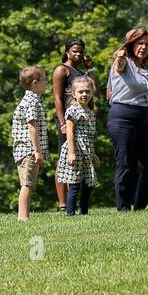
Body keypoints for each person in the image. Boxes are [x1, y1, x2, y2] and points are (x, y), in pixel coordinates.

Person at [106, 28, 148, 212]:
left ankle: (140, 205)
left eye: (147, 44)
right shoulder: (122, 62)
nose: (143, 47)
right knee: (125, 162)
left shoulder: (147, 67)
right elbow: (119, 66)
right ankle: (123, 207)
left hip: (143, 118)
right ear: (132, 44)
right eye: (140, 43)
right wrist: (120, 57)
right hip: (122, 117)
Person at [51, 39, 89, 212]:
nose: (78, 54)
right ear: (67, 51)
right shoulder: (62, 70)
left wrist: (90, 68)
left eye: (81, 51)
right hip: (66, 120)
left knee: (78, 159)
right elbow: (58, 98)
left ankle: (72, 202)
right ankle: (62, 204)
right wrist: (62, 124)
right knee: (64, 158)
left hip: (81, 120)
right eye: (75, 51)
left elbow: (93, 88)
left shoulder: (81, 72)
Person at [56, 76, 100, 215]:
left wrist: (93, 154)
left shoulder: (90, 112)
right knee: (74, 184)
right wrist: (72, 152)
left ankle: (84, 212)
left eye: (87, 91)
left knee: (88, 183)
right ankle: (70, 213)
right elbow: (69, 132)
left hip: (87, 151)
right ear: (74, 94)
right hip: (75, 150)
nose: (84, 94)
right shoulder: (72, 110)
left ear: (92, 93)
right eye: (81, 92)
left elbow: (90, 136)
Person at [11, 65, 48, 221]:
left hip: (25, 149)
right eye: (44, 79)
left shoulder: (31, 100)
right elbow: (32, 127)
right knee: (27, 184)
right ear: (35, 83)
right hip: (28, 150)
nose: (46, 83)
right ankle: (22, 217)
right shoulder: (32, 102)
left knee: (28, 183)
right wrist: (37, 151)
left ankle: (24, 215)